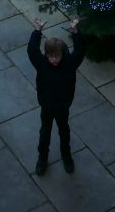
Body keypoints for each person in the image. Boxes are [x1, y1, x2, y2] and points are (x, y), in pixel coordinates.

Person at [27, 16, 85, 176]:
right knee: (45, 132)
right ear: (46, 54)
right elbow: (32, 50)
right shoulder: (41, 64)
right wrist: (37, 31)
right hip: (46, 106)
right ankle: (42, 157)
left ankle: (66, 156)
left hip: (62, 107)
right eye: (50, 55)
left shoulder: (69, 64)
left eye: (57, 56)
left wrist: (75, 32)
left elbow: (80, 51)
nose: (54, 59)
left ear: (62, 54)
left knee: (64, 131)